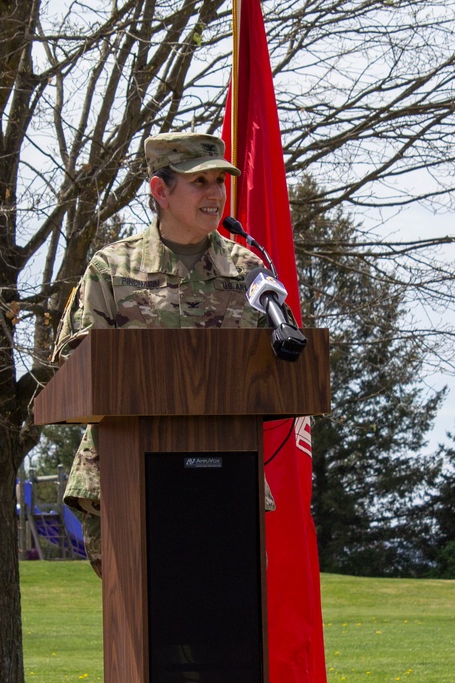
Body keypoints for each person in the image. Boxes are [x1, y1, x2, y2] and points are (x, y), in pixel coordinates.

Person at [52, 131, 274, 578]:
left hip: (226, 478)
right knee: (144, 626)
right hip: (128, 478)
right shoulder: (112, 269)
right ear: (160, 191)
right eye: (200, 182)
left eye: (220, 181)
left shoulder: (250, 272)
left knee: (230, 623)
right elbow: (74, 370)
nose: (215, 194)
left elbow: (277, 367)